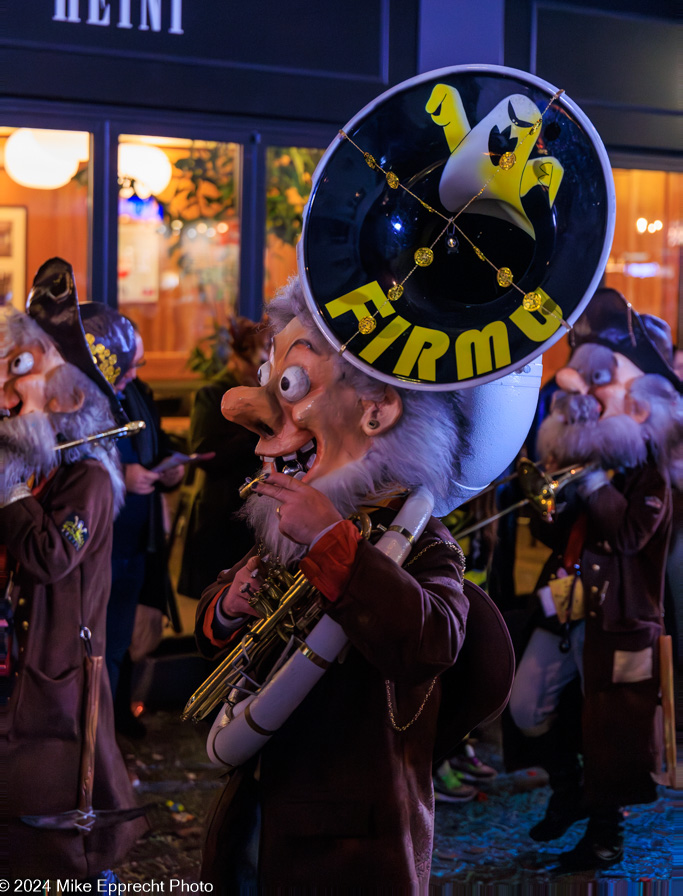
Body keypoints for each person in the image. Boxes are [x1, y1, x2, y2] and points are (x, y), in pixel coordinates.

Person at [193, 277, 513, 892]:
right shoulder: (291, 519)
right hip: (261, 809)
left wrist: (334, 546)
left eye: (291, 384)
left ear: (376, 410)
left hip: (349, 847)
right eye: (269, 376)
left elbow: (430, 645)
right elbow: (225, 618)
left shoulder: (418, 538)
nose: (247, 406)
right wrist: (229, 606)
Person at [506, 287, 683, 871]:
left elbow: (631, 534)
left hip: (621, 614)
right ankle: (569, 789)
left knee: (614, 726)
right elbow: (557, 536)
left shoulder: (652, 461)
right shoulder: (583, 449)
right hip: (566, 599)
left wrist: (596, 480)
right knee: (527, 704)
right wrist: (549, 503)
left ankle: (605, 833)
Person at [1, 258, 147, 880]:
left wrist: (10, 492)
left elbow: (48, 556)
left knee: (65, 826)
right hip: (31, 666)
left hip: (60, 675)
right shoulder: (52, 468)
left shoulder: (86, 478)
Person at [82, 311, 185, 738]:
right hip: (98, 542)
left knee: (118, 649)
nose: (134, 373)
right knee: (90, 650)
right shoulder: (84, 397)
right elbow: (69, 462)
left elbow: (154, 445)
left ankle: (104, 740)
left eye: (138, 363)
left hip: (134, 542)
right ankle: (87, 746)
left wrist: (169, 469)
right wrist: (121, 477)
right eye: (130, 363)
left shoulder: (135, 392)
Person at [178, 316, 268, 599]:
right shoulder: (213, 394)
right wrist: (257, 434)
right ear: (242, 358)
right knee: (218, 601)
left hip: (254, 517)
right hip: (221, 514)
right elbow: (206, 454)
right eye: (260, 361)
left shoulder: (268, 395)